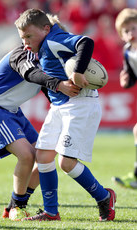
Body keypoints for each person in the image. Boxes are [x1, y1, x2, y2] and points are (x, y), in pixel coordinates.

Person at [15, 8, 116, 222]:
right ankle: (51, 212)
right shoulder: (42, 48)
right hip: (60, 107)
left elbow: (85, 42)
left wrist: (78, 72)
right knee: (43, 156)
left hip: (80, 105)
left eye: (28, 36)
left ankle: (104, 197)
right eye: (22, 38)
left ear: (46, 29)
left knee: (66, 163)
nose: (25, 42)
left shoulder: (53, 40)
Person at [0, 42, 81, 221]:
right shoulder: (23, 55)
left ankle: (14, 205)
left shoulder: (48, 64)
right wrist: (59, 84)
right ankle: (18, 206)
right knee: (27, 155)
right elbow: (32, 74)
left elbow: (53, 96)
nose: (26, 41)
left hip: (12, 111)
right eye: (24, 36)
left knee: (44, 155)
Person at [112, 8, 137, 189]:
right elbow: (131, 77)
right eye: (126, 31)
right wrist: (126, 81)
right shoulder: (128, 52)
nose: (131, 33)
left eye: (134, 28)